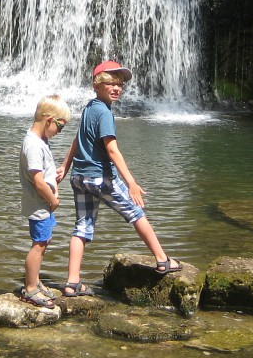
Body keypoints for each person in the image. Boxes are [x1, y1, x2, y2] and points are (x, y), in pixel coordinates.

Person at [56, 60, 182, 297]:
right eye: (110, 83)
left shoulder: (89, 108)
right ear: (97, 85)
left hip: (79, 178)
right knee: (136, 212)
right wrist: (132, 183)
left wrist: (65, 166)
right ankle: (163, 260)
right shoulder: (104, 113)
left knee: (82, 227)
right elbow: (112, 150)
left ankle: (72, 283)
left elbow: (77, 139)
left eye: (120, 84)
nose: (116, 88)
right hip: (101, 178)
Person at [19, 95, 71, 309]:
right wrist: (53, 199)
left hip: (45, 204)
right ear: (49, 120)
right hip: (40, 204)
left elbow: (46, 174)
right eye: (60, 126)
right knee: (39, 245)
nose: (61, 131)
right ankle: (30, 289)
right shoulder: (33, 145)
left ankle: (36, 281)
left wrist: (55, 186)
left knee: (43, 242)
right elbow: (38, 181)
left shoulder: (41, 141)